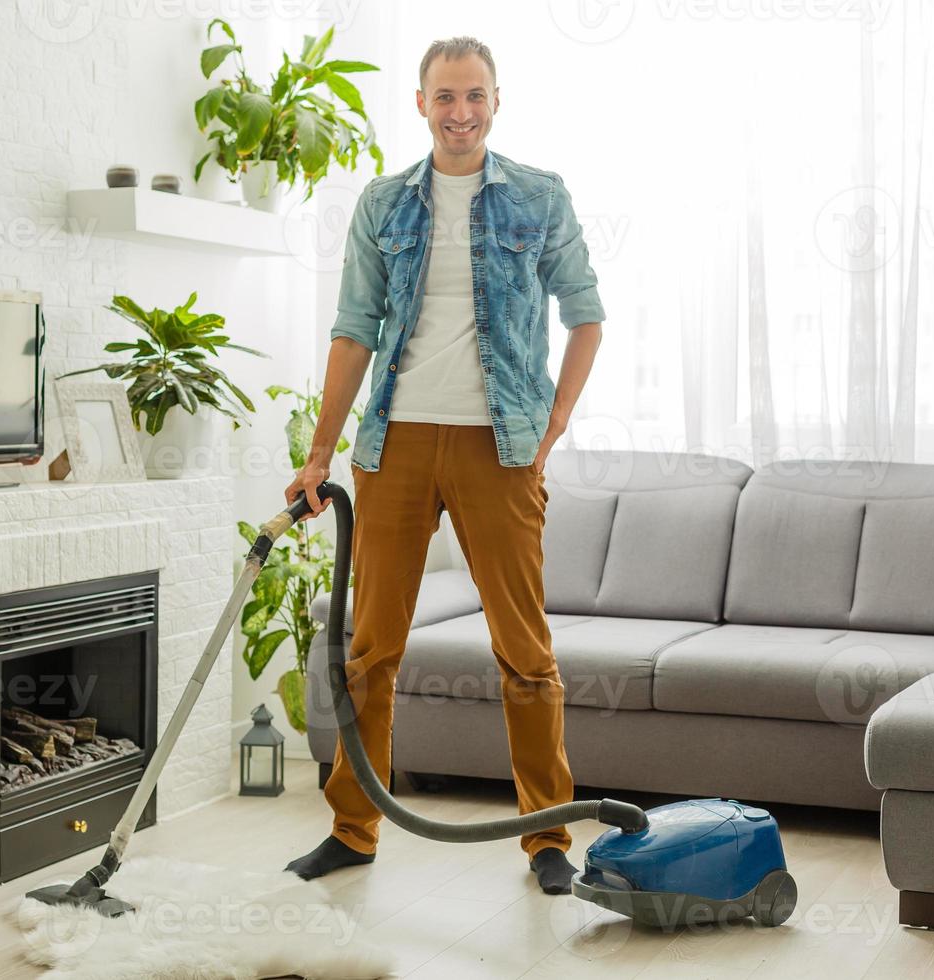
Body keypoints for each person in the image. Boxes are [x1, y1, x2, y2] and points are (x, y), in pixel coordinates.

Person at [283, 36, 605, 896]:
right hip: (395, 445)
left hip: (499, 447)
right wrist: (320, 453)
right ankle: (353, 830)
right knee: (369, 649)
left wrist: (556, 419)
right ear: (420, 104)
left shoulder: (539, 196)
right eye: (444, 97)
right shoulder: (384, 204)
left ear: (497, 101)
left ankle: (546, 840)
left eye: (474, 96)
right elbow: (354, 330)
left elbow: (586, 314)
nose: (460, 112)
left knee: (525, 653)